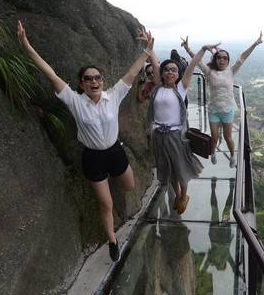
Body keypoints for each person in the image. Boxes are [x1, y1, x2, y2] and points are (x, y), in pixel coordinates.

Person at [17, 21, 158, 262]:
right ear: (81, 84)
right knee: (106, 204)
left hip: (115, 152)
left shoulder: (112, 96)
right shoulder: (74, 101)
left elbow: (132, 73)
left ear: (102, 81)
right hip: (92, 157)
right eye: (88, 78)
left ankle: (114, 182)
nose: (94, 81)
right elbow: (49, 73)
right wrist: (26, 46)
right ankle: (112, 241)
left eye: (98, 77)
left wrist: (146, 51)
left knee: (129, 186)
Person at [181, 33, 263, 168]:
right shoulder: (209, 72)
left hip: (227, 109)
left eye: (225, 58)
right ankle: (212, 153)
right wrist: (187, 49)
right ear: (215, 59)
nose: (222, 60)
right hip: (213, 109)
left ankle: (232, 156)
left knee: (227, 137)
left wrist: (255, 43)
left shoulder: (231, 71)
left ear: (228, 60)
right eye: (219, 57)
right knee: (214, 136)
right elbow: (198, 61)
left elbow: (242, 57)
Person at [145, 45, 206, 215]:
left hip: (175, 135)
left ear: (178, 74)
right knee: (167, 167)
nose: (169, 72)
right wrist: (149, 47)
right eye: (166, 70)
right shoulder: (157, 88)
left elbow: (192, 65)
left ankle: (184, 196)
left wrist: (203, 49)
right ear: (162, 73)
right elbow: (155, 64)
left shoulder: (180, 89)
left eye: (173, 70)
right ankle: (178, 196)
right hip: (159, 135)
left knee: (180, 166)